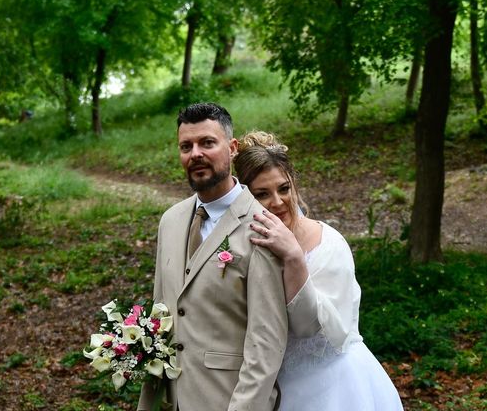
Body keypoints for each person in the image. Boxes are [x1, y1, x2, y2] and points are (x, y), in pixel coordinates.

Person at [233, 131, 404, 411]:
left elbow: (307, 326)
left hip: (335, 389)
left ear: (294, 185)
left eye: (284, 188)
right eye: (262, 194)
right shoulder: (243, 246)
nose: (277, 202)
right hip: (271, 390)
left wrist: (294, 256)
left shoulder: (329, 245)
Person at [138, 105, 288, 411]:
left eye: (207, 143)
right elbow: (161, 314)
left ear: (232, 149)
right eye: (186, 146)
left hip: (227, 399)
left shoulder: (262, 225)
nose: (195, 154)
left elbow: (267, 342)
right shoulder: (170, 220)